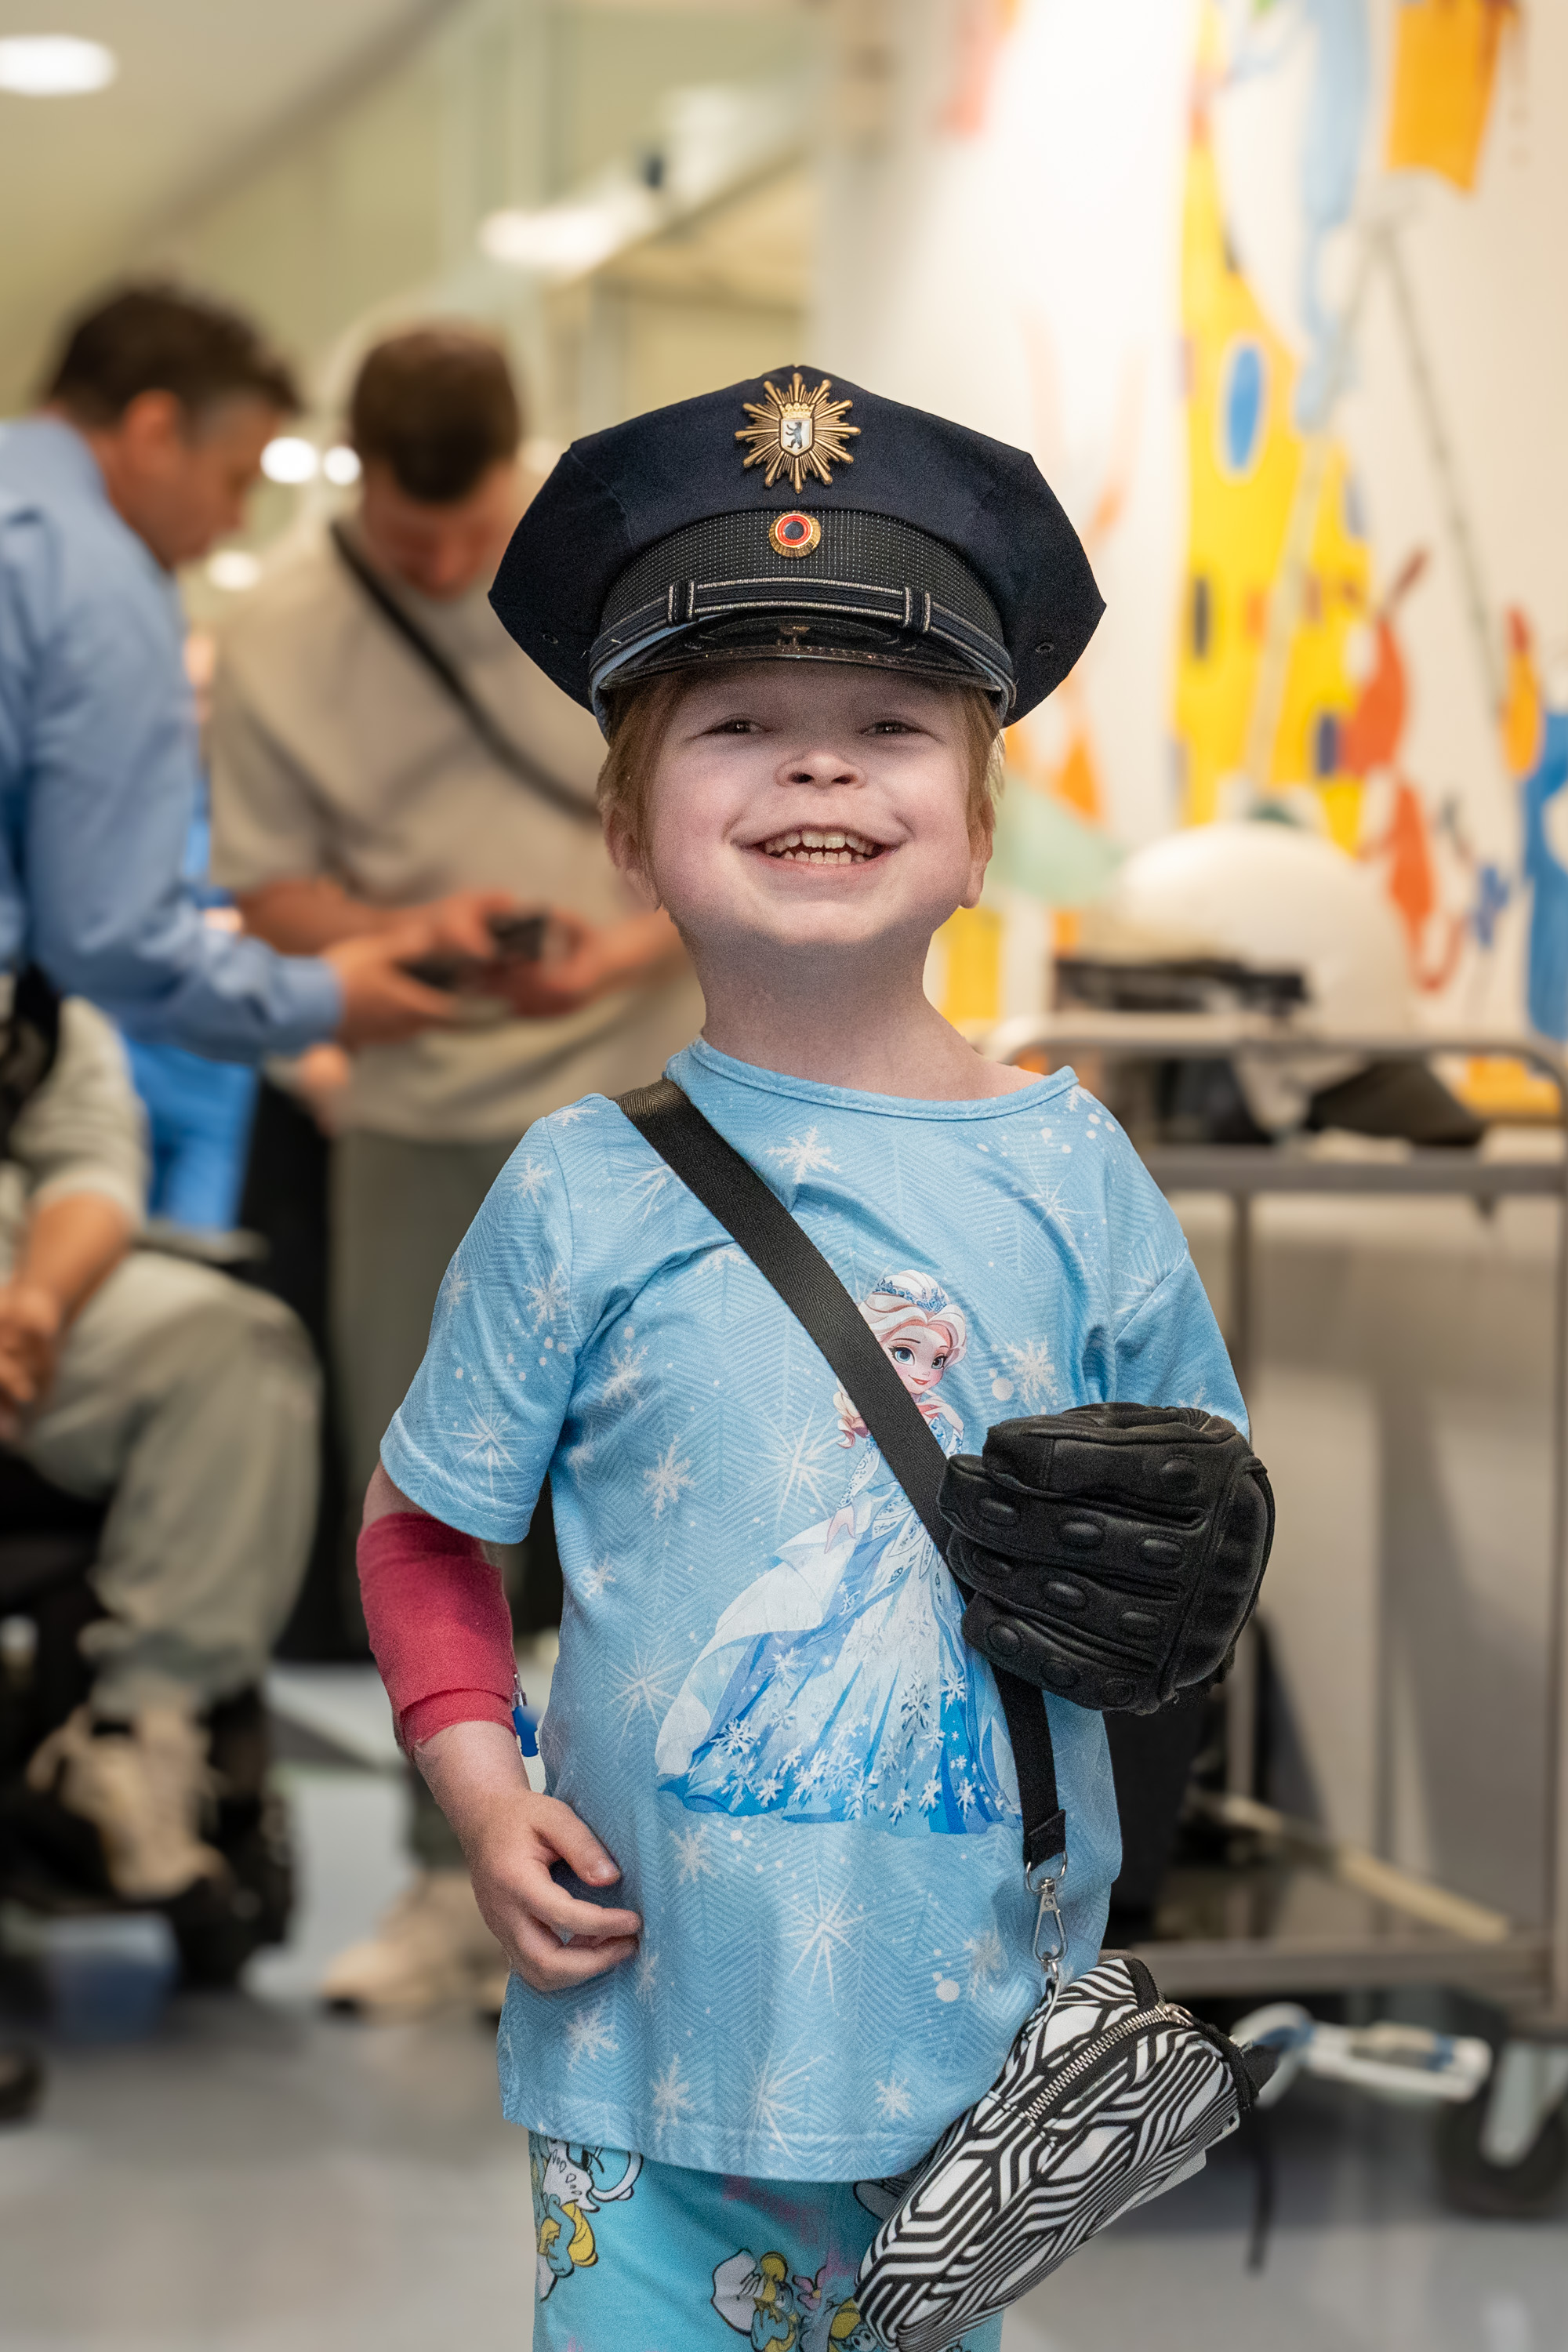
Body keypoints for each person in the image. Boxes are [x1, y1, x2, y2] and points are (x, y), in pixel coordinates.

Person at [350, 369, 1247, 2347]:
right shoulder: (573, 1191)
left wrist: (1184, 1575)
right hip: (644, 2036)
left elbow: (1196, 1532)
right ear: (626, 816)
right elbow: (425, 1529)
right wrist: (483, 1797)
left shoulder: (1075, 1172)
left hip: (976, 2061)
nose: (817, 775)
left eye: (890, 729)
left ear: (975, 819)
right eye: (738, 726)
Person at [207, 326, 702, 2013]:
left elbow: (730, 806)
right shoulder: (278, 630)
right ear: (353, 475)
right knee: (432, 1508)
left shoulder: (619, 566)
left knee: (670, 1490)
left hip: (657, 1092)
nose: (439, 569)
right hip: (420, 1108)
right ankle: (447, 1884)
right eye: (410, 542)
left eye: (467, 530)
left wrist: (620, 955)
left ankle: (672, 1878)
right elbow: (267, 893)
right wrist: (407, 934)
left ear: (522, 466)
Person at [0, 281, 460, 1060]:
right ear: (153, 431)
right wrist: (323, 996)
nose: (238, 522)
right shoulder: (98, 579)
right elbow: (110, 935)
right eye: (236, 480)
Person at [2, 977, 317, 1901]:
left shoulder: (32, 978)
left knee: (235, 1339)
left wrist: (36, 1311)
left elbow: (90, 1164)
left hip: (29, 1280)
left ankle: (136, 1735)